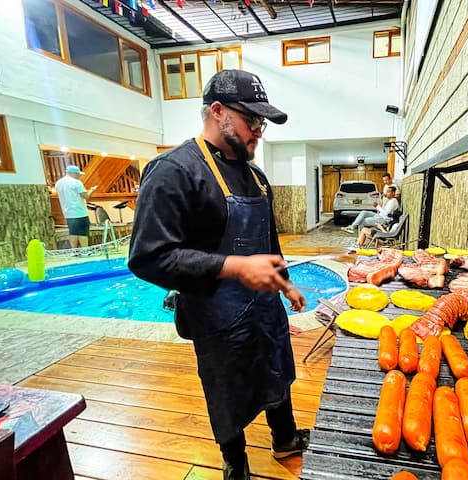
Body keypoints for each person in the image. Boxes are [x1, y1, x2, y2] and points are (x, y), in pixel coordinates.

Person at [127, 69, 309, 480]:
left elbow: (268, 241)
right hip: (216, 315)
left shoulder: (257, 178)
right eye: (251, 120)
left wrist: (285, 284)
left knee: (277, 370)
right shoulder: (174, 171)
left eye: (262, 123)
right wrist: (234, 266)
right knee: (226, 390)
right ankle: (234, 460)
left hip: (266, 309)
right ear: (217, 111)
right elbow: (147, 257)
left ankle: (284, 439)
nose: (258, 130)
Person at [54, 165, 97, 248]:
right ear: (73, 173)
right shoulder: (76, 182)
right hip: (79, 212)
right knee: (82, 233)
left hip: (68, 213)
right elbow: (86, 196)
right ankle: (85, 250)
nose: (79, 176)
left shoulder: (58, 183)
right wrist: (92, 190)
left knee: (73, 232)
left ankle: (74, 251)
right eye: (78, 174)